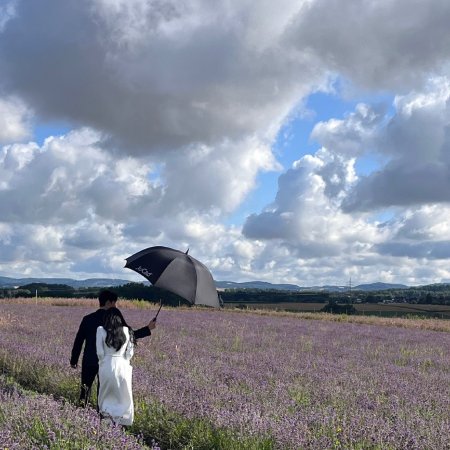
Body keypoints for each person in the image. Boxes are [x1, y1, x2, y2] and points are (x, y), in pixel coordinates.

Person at [70, 289, 156, 406]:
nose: (115, 306)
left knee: (85, 390)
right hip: (107, 362)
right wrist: (147, 329)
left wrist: (74, 360)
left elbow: (78, 341)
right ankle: (102, 415)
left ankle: (81, 412)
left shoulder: (87, 319)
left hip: (89, 360)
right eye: (114, 303)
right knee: (104, 392)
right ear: (109, 303)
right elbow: (128, 335)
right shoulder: (113, 320)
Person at [96, 307, 135, 425]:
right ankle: (122, 421)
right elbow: (129, 354)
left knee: (105, 393)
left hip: (107, 364)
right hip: (123, 366)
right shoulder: (127, 331)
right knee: (123, 395)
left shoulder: (100, 330)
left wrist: (105, 360)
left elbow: (100, 353)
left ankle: (106, 420)